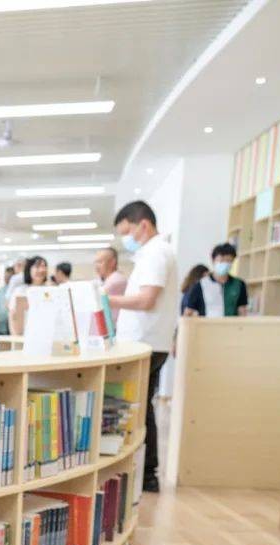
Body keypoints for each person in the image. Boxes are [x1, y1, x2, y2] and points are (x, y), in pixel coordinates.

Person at [107, 201, 178, 493]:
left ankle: (146, 474)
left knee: (140, 407)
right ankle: (144, 472)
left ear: (143, 225)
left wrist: (108, 301)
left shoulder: (156, 252)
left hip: (146, 342)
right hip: (147, 341)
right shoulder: (155, 252)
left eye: (128, 233)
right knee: (141, 405)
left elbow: (147, 299)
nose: (127, 240)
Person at [182, 244, 248, 317]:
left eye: (228, 261)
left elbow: (242, 311)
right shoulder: (200, 285)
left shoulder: (239, 285)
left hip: (231, 327)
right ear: (213, 261)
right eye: (221, 260)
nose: (224, 264)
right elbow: (188, 312)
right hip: (207, 326)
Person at [7, 255, 48, 336]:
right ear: (29, 269)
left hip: (46, 336)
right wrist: (15, 337)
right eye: (37, 266)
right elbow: (12, 316)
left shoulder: (49, 290)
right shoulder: (20, 291)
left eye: (44, 266)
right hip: (24, 336)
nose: (41, 270)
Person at [93, 248, 127, 321]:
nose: (96, 266)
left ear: (112, 262)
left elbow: (94, 298)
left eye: (100, 262)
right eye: (95, 262)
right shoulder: (102, 280)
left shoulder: (117, 280)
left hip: (114, 327)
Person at [0, 266, 15, 335]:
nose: (6, 278)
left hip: (11, 323)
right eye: (6, 276)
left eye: (9, 276)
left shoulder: (16, 290)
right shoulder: (1, 290)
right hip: (1, 323)